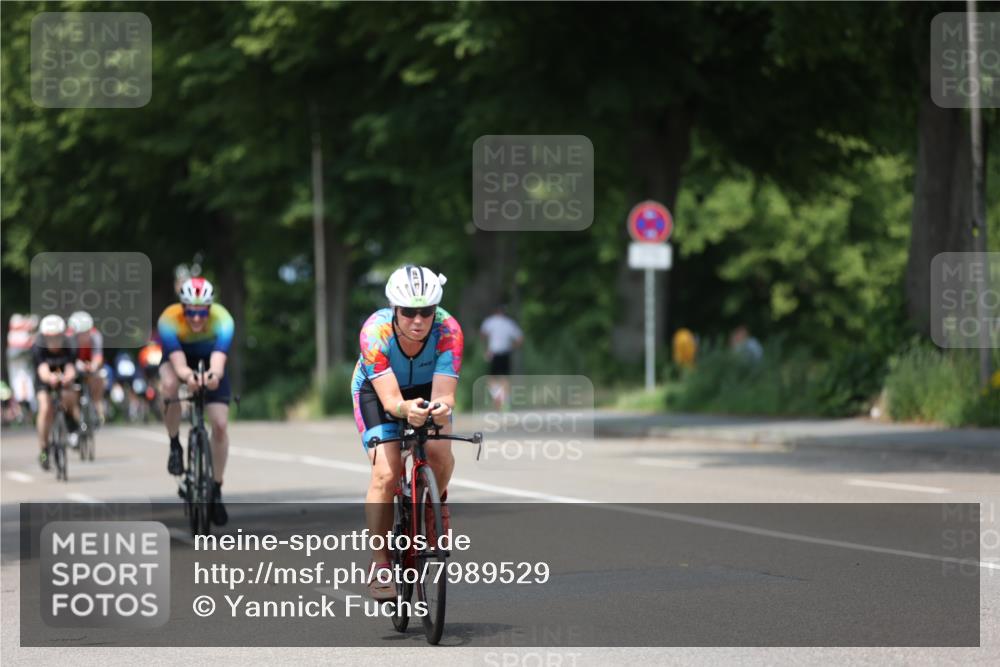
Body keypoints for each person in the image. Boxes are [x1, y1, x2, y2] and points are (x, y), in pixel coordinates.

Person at [351, 265, 463, 600]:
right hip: (378, 391)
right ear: (394, 310)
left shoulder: (448, 331)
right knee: (386, 474)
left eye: (426, 311)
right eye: (409, 312)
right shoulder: (375, 334)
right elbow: (391, 401)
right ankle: (380, 562)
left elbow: (445, 396)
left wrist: (440, 408)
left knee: (441, 454)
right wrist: (405, 411)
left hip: (428, 389)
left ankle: (433, 503)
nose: (418, 320)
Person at [157, 277, 235, 526]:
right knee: (169, 385)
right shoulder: (169, 319)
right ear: (183, 307)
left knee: (220, 425)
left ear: (210, 308)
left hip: (210, 361)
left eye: (203, 312)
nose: (197, 318)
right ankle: (174, 445)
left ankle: (216, 489)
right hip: (179, 360)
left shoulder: (223, 320)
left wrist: (212, 377)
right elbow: (178, 363)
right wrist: (189, 377)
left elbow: (218, 363)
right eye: (191, 311)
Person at [33, 315, 79, 470]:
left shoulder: (70, 344)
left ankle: (71, 422)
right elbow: (42, 370)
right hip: (45, 379)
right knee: (45, 408)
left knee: (70, 394)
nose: (53, 342)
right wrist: (50, 378)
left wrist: (67, 378)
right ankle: (44, 447)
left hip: (64, 376)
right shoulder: (38, 346)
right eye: (49, 338)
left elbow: (71, 368)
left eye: (57, 337)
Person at [479, 305, 523, 410]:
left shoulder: (490, 321)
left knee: (491, 379)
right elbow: (520, 338)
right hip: (506, 352)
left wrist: (485, 349)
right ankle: (505, 402)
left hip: (494, 353)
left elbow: (482, 335)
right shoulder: (509, 323)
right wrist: (512, 348)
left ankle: (497, 397)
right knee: (505, 378)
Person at [68, 311, 106, 423]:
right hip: (74, 362)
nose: (84, 336)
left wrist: (93, 365)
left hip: (89, 362)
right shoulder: (69, 338)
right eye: (80, 333)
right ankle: (75, 414)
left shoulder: (96, 335)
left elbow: (98, 355)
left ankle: (96, 405)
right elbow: (68, 359)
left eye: (86, 332)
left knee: (99, 377)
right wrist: (78, 365)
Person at [6, 313, 37, 420]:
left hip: (25, 364)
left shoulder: (25, 334)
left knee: (27, 385)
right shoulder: (14, 335)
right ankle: (20, 411)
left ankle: (28, 411)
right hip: (17, 363)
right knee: (19, 386)